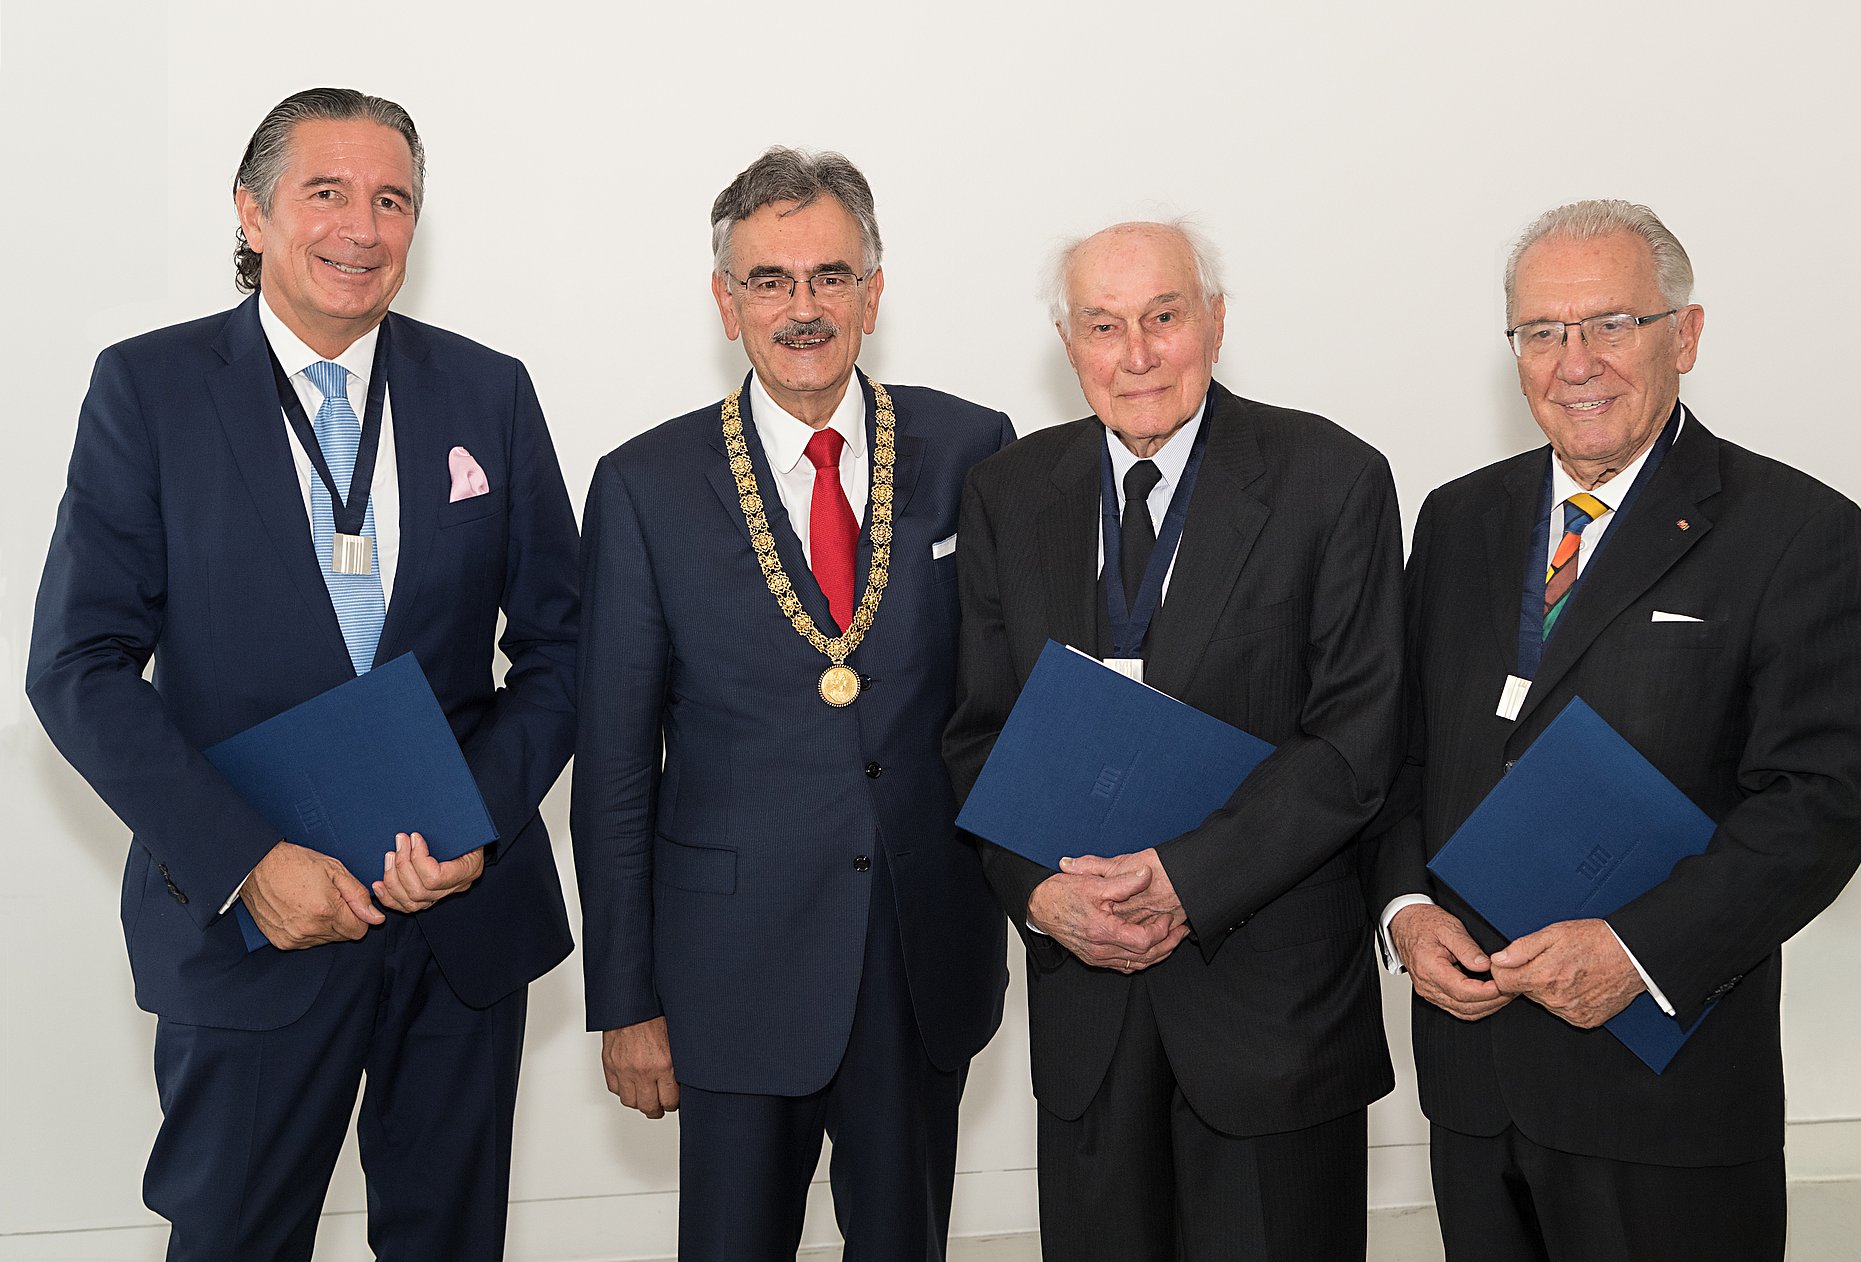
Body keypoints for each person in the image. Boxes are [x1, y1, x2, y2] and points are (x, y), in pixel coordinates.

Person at [25, 88, 579, 1261]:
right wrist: (246, 862)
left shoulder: (491, 390)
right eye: (326, 192)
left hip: (458, 927)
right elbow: (76, 664)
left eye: (393, 200)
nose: (362, 228)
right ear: (253, 209)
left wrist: (472, 821)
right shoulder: (148, 390)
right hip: (251, 931)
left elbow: (563, 648)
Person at [1369, 199, 1861, 1260]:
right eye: (1542, 332)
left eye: (1610, 323)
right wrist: (1408, 907)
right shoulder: (1457, 519)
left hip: (1665, 1089)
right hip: (1474, 1081)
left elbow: (1816, 808)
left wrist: (1637, 951)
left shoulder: (1793, 531)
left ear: (1683, 335)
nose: (1576, 362)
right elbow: (1404, 752)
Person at [571, 146, 1012, 1261]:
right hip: (729, 964)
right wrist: (624, 996)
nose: (803, 307)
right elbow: (615, 763)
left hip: (919, 945)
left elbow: (1011, 693)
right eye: (770, 279)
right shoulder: (643, 486)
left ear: (874, 289)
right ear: (726, 301)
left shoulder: (974, 448)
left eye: (830, 275)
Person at [943, 219, 1404, 1261]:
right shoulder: (1010, 495)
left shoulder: (1332, 478)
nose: (1137, 352)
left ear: (1217, 321)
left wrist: (1184, 880)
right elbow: (978, 733)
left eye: (1164, 316)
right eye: (1104, 325)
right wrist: (1039, 894)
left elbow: (1356, 740)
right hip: (1087, 1015)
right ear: (1070, 345)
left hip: (1270, 1010)